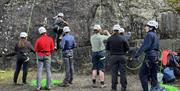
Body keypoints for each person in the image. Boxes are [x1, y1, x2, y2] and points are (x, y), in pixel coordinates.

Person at [132, 20, 160, 91]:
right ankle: (155, 88)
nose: (145, 27)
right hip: (155, 56)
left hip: (150, 57)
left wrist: (136, 55)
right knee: (154, 75)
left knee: (142, 74)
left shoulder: (149, 35)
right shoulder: (155, 35)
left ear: (151, 28)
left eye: (147, 26)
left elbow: (144, 47)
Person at [106, 25, 129, 91]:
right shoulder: (123, 38)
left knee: (114, 73)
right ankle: (123, 87)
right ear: (119, 30)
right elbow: (127, 48)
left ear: (113, 30)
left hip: (113, 57)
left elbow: (107, 48)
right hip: (122, 56)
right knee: (123, 73)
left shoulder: (110, 38)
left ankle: (113, 88)